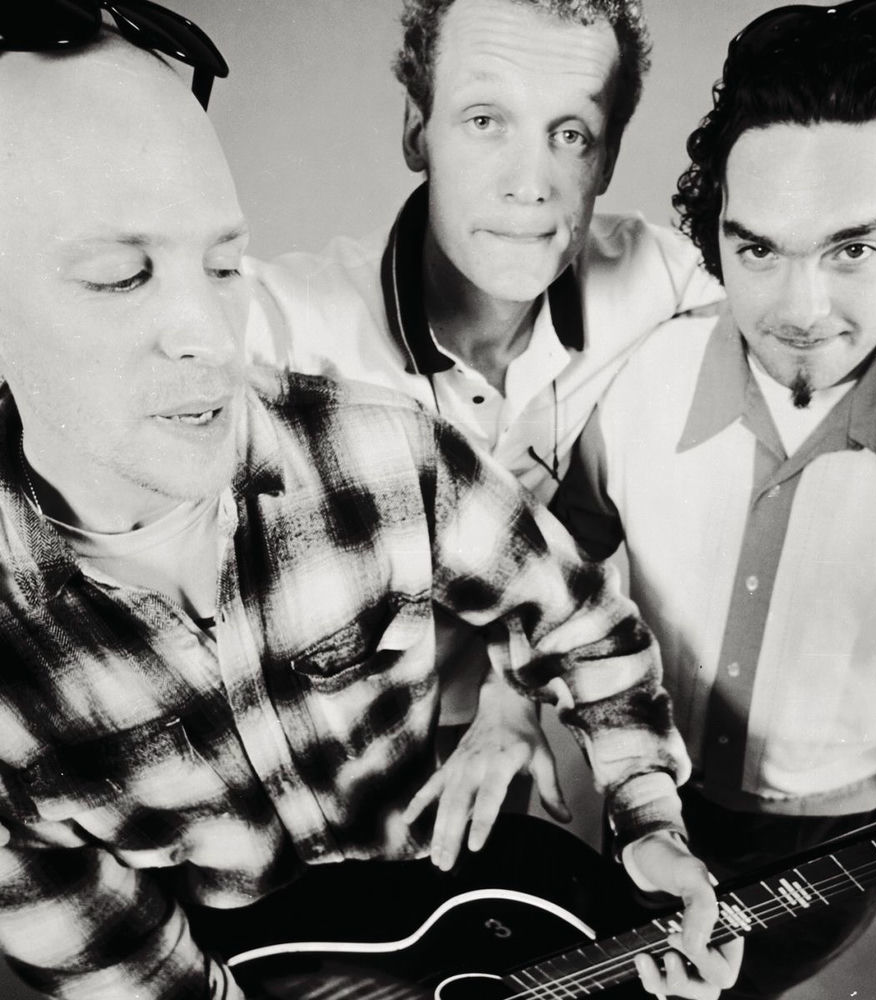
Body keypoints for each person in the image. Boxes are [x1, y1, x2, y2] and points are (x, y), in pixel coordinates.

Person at [0, 11, 741, 1000]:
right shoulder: (302, 321)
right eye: (120, 275)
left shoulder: (392, 446)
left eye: (222, 264)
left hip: (454, 887)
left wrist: (646, 815)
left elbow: (582, 617)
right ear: (416, 128)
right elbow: (122, 968)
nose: (208, 333)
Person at [552, 1, 876, 997]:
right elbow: (548, 569)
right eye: (758, 249)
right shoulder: (634, 376)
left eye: (853, 248)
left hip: (842, 832)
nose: (800, 311)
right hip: (639, 797)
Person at [241, 0, 726, 858]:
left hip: (493, 750)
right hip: (302, 785)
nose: (530, 182)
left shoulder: (656, 280)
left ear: (609, 157)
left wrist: (512, 696)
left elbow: (815, 295)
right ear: (416, 130)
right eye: (485, 120)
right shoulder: (284, 330)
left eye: (570, 134)